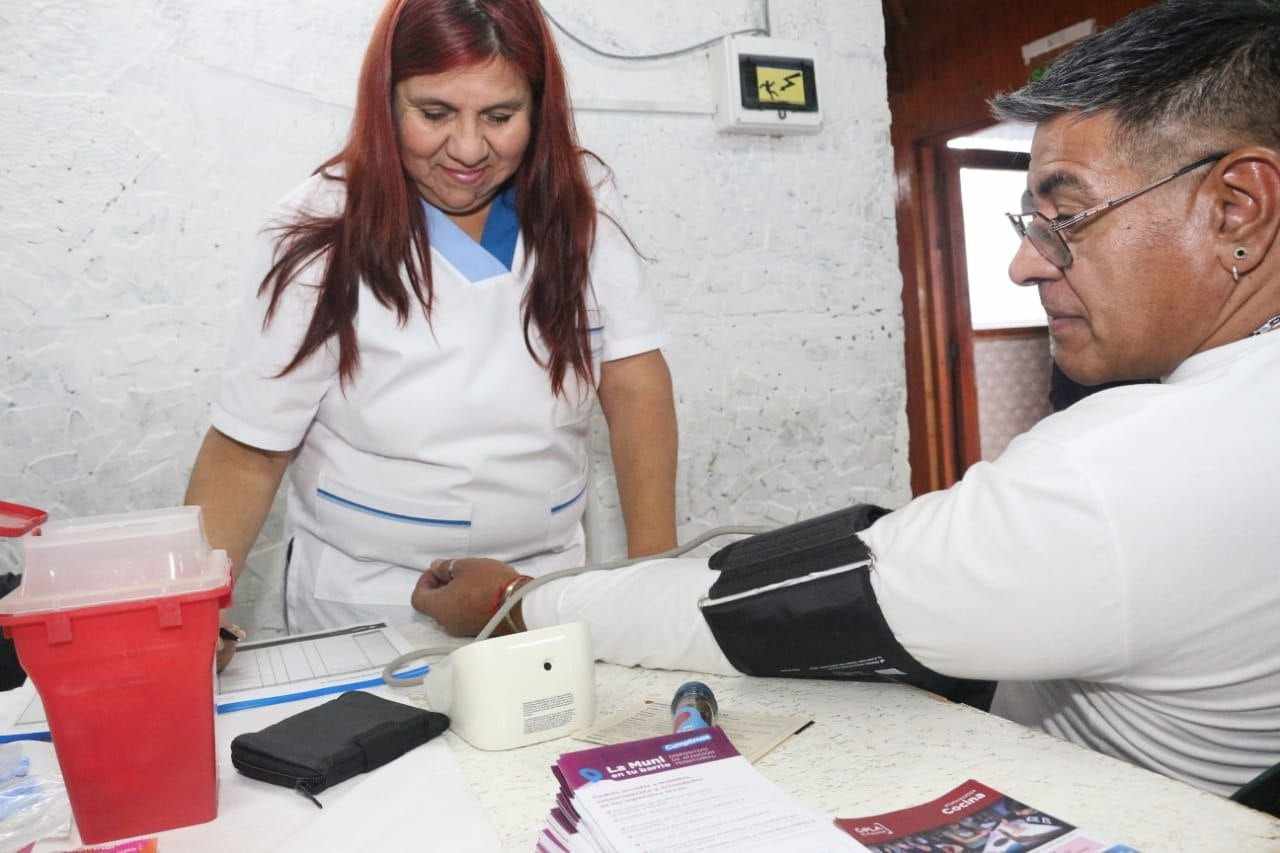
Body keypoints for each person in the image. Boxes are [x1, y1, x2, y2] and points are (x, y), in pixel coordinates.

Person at [413, 0, 1280, 799]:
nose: (1025, 262)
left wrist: (515, 599)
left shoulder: (1122, 477)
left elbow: (757, 619)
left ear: (1238, 207)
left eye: (1068, 216)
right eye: (1030, 223)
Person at [185, 0, 678, 655]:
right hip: (367, 602)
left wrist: (653, 589)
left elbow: (634, 380)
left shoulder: (581, 205)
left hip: (540, 588)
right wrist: (190, 610)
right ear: (386, 102)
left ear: (540, 106)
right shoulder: (318, 232)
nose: (469, 149)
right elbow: (249, 450)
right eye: (435, 113)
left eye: (500, 117)